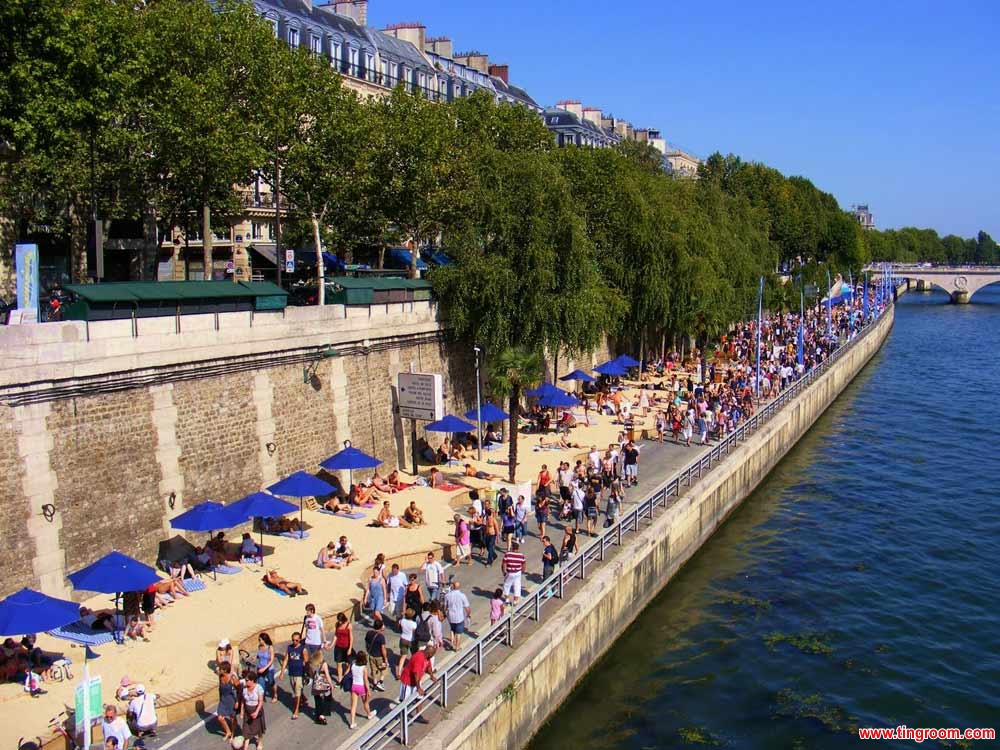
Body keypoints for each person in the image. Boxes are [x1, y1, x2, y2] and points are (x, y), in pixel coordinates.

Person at [278, 631, 308, 720]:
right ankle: (303, 697)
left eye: (296, 640)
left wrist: (305, 671)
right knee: (295, 689)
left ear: (299, 640)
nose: (294, 642)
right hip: (292, 672)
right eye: (293, 640)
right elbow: (286, 660)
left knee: (297, 691)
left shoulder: (303, 649)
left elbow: (306, 661)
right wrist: (282, 672)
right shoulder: (289, 648)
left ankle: (296, 709)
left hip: (299, 673)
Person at [347, 652, 376, 729]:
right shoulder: (364, 668)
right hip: (361, 687)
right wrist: (368, 690)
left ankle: (352, 723)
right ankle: (369, 714)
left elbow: (347, 672)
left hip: (354, 686)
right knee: (365, 703)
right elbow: (366, 680)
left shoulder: (353, 665)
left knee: (353, 705)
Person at [443, 580, 471, 651]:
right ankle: (457, 646)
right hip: (459, 617)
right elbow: (467, 607)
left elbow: (445, 607)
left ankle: (452, 643)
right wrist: (468, 614)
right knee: (458, 632)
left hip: (450, 616)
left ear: (453, 586)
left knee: (452, 629)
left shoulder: (447, 595)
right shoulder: (462, 595)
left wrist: (445, 613)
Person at [306, 651, 333, 725]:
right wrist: (331, 684)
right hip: (323, 684)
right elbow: (327, 675)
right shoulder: (324, 664)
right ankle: (322, 714)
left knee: (317, 700)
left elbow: (311, 674)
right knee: (326, 699)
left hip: (316, 685)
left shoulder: (312, 664)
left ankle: (318, 716)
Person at [241, 671, 266, 748]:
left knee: (258, 729)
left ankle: (260, 742)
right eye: (245, 680)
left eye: (247, 680)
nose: (246, 682)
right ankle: (246, 745)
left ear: (252, 680)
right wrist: (242, 712)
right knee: (246, 728)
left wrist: (256, 712)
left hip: (256, 710)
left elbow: (261, 701)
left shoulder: (258, 688)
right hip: (247, 711)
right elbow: (243, 701)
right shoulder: (244, 689)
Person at [363, 618, 389, 691]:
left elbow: (366, 643)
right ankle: (380, 682)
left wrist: (368, 651)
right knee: (384, 669)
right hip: (379, 656)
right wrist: (385, 658)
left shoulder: (369, 633)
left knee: (373, 670)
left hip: (371, 655)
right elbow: (383, 648)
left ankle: (375, 684)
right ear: (381, 627)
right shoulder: (381, 637)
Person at [215, 662, 239, 740]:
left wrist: (237, 701)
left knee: (232, 718)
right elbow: (220, 689)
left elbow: (238, 690)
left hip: (231, 699)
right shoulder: (220, 677)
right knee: (220, 718)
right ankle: (228, 731)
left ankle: (233, 734)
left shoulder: (232, 678)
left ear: (225, 670)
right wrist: (219, 698)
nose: (219, 670)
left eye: (221, 669)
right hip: (223, 699)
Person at [256, 632, 277, 703]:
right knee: (261, 684)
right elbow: (259, 655)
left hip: (269, 669)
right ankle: (262, 698)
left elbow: (271, 660)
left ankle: (275, 695)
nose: (259, 641)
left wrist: (264, 668)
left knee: (271, 682)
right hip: (260, 668)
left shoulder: (270, 648)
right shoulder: (259, 647)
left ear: (264, 640)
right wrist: (255, 657)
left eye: (260, 639)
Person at [332, 612, 353, 680]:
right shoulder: (337, 625)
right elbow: (336, 635)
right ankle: (340, 679)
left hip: (346, 646)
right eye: (338, 620)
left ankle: (347, 676)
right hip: (338, 646)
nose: (340, 622)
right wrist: (332, 644)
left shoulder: (349, 625)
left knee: (348, 663)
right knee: (338, 663)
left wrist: (350, 648)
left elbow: (351, 638)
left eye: (341, 620)